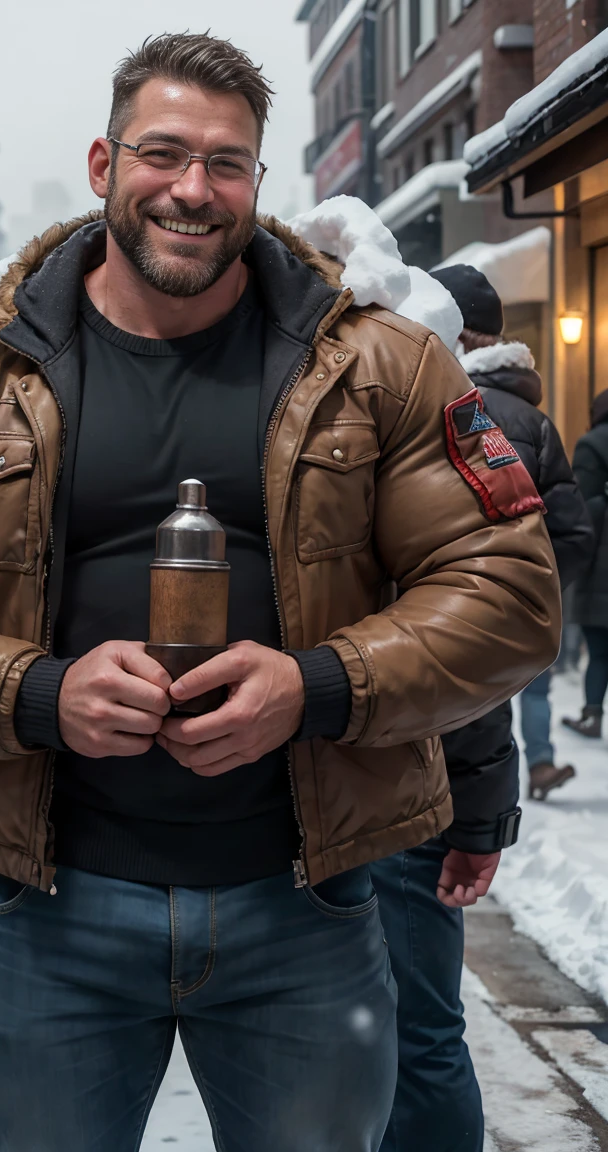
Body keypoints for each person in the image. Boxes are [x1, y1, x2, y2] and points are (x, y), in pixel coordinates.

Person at [0, 34, 559, 1152]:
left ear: (259, 184)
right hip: (48, 914)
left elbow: (508, 592)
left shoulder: (384, 365)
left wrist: (317, 686)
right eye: (162, 153)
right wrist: (37, 691)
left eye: (226, 163)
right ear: (102, 163)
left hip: (304, 909)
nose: (192, 188)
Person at [366, 264, 593, 1152]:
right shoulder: (522, 416)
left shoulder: (440, 415)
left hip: (413, 745)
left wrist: (502, 609)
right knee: (414, 1022)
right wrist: (523, 616)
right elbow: (567, 535)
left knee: (407, 1028)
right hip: (435, 723)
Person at [433, 264, 594, 799]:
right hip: (517, 613)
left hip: (435, 623)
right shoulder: (534, 421)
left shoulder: (432, 408)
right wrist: (528, 594)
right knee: (519, 694)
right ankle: (539, 764)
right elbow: (573, 531)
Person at [563, 388, 608, 739]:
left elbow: (581, 511)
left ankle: (592, 715)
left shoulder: (593, 445)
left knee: (598, 650)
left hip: (600, 567)